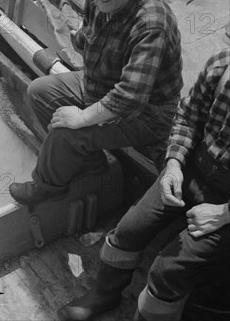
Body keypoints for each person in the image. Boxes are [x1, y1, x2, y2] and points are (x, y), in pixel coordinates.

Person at [57, 29, 230, 321]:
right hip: (195, 169)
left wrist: (224, 215)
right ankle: (105, 294)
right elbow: (188, 118)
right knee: (129, 230)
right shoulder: (220, 66)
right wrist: (174, 164)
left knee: (168, 270)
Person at [9, 0, 183, 205]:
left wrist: (81, 117)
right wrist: (75, 31)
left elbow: (130, 97)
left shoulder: (151, 23)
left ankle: (48, 187)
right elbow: (85, 39)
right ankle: (91, 164)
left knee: (66, 134)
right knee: (39, 91)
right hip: (99, 83)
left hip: (147, 111)